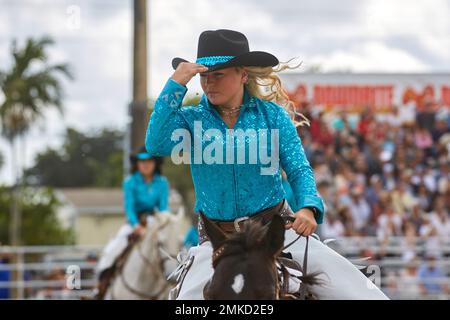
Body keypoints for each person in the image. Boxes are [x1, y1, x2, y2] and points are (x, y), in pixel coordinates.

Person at [146, 29, 388, 299]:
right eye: (204, 76)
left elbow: (298, 168)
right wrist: (175, 84)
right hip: (216, 243)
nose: (209, 83)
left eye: (218, 75)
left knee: (363, 295)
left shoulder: (273, 116)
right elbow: (155, 143)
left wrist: (308, 208)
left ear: (243, 74)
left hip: (278, 234)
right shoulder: (189, 121)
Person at [94, 146, 170, 297]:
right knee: (112, 250)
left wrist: (159, 224)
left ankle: (173, 286)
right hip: (133, 224)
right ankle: (100, 288)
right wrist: (136, 225)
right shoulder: (130, 182)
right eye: (142, 161)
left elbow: (163, 208)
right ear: (137, 164)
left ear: (155, 163)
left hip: (154, 223)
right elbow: (129, 208)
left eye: (149, 161)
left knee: (171, 248)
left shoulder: (162, 182)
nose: (145, 164)